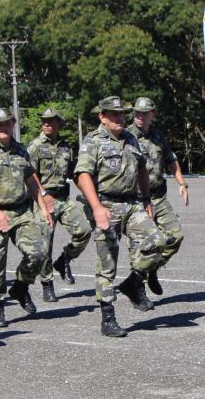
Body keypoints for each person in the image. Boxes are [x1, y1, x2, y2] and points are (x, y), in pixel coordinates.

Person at [74, 96, 166, 336]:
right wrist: (96, 208)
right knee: (107, 264)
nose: (119, 118)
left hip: (132, 203)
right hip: (105, 204)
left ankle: (134, 283)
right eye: (114, 114)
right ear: (102, 117)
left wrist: (146, 199)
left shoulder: (131, 138)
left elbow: (142, 168)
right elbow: (82, 176)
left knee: (157, 241)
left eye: (122, 114)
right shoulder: (93, 141)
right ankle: (108, 318)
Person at [0, 108, 52, 328]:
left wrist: (43, 206)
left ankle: (20, 287)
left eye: (7, 123)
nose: (3, 127)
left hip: (21, 212)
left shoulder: (20, 150)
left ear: (13, 124)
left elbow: (31, 180)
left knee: (39, 252)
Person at [127, 97, 189, 306]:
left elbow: (171, 160)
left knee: (175, 236)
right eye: (137, 113)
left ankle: (152, 267)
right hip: (136, 200)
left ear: (152, 114)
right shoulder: (126, 137)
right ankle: (138, 293)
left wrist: (182, 183)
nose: (140, 117)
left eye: (144, 113)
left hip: (158, 197)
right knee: (139, 247)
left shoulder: (158, 135)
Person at [27, 107, 92, 302]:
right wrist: (43, 194)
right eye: (44, 121)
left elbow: (74, 173)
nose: (46, 123)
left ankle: (64, 260)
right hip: (42, 200)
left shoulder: (66, 147)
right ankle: (47, 284)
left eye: (51, 120)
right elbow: (30, 174)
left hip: (63, 199)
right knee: (44, 245)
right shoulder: (34, 146)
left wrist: (88, 194)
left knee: (84, 230)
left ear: (59, 124)